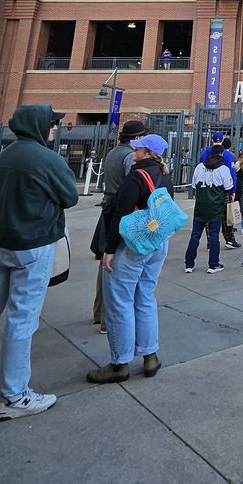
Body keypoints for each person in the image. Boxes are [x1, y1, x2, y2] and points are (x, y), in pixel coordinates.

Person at [0, 104, 77, 419]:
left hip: (0, 243)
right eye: (51, 124)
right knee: (23, 319)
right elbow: (70, 197)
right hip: (33, 244)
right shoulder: (49, 160)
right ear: (39, 126)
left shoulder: (1, 159)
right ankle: (15, 395)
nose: (53, 129)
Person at [87, 134, 172, 382]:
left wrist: (110, 249)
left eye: (138, 149)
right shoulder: (164, 175)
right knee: (145, 297)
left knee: (120, 302)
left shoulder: (136, 176)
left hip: (134, 245)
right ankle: (150, 356)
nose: (134, 152)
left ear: (146, 152)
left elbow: (120, 215)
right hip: (157, 242)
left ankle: (119, 363)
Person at [91, 120, 147, 332]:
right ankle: (108, 318)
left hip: (108, 206)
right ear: (137, 139)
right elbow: (131, 187)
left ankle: (98, 312)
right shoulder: (129, 157)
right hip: (120, 211)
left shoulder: (113, 152)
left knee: (106, 261)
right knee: (115, 262)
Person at [184, 143, 235, 274]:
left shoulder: (199, 167)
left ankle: (189, 264)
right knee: (213, 236)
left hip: (200, 206)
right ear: (222, 154)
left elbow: (194, 186)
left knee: (195, 235)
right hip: (216, 206)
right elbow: (229, 188)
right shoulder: (223, 169)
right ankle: (213, 264)